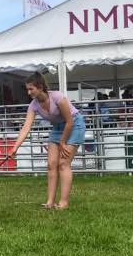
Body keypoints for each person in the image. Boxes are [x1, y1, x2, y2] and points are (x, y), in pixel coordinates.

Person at [8, 72, 85, 210]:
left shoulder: (57, 97)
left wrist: (62, 142)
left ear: (40, 87)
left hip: (74, 125)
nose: (28, 92)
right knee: (51, 165)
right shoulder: (33, 105)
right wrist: (15, 147)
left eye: (31, 89)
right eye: (27, 89)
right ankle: (49, 202)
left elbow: (69, 121)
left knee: (63, 164)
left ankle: (63, 202)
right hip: (57, 128)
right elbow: (26, 128)